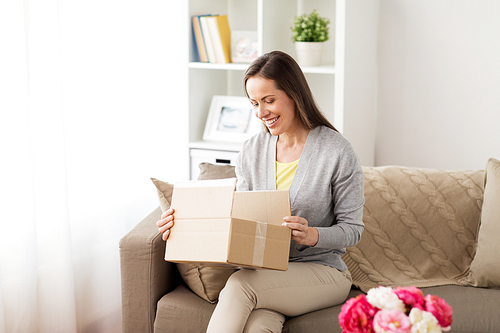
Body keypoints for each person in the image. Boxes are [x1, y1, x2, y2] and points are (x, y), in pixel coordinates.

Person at [157, 50, 365, 333]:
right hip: (266, 273)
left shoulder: (337, 151)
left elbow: (352, 229)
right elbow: (240, 221)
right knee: (258, 327)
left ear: (295, 94)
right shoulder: (251, 150)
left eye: (269, 100)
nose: (260, 112)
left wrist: (314, 234)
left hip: (323, 272)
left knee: (240, 286)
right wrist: (183, 227)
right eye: (254, 102)